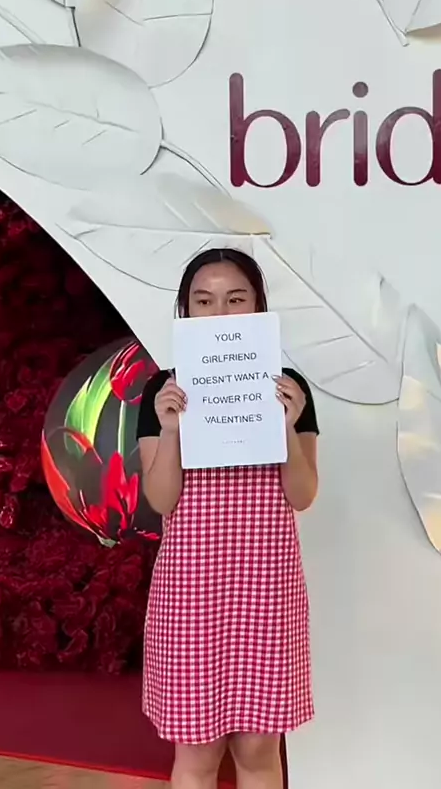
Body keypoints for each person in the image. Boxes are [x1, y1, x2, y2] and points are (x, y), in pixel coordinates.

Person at [137, 248, 319, 789]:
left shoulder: (289, 387)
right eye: (204, 300)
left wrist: (286, 426)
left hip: (267, 588)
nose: (220, 312)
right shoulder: (163, 392)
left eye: (235, 299)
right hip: (191, 591)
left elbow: (303, 494)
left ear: (259, 307)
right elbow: (161, 500)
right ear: (186, 311)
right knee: (196, 753)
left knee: (259, 750)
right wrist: (171, 429)